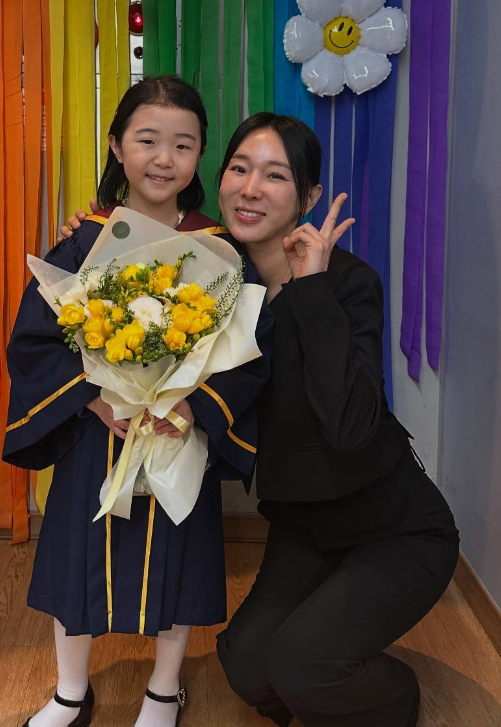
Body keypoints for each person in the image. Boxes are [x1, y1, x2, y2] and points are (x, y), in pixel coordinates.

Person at [64, 112, 459, 727]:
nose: (251, 188)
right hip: (305, 530)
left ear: (308, 197)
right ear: (220, 183)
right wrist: (91, 237)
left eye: (275, 176)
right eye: (239, 170)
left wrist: (311, 290)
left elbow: (352, 426)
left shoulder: (350, 283)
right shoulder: (214, 284)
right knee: (247, 665)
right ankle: (329, 655)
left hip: (394, 530)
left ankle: (391, 695)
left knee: (304, 668)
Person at [3, 77, 272, 727]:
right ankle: (70, 689)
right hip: (99, 431)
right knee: (79, 556)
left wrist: (188, 405)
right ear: (116, 146)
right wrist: (96, 399)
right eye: (146, 140)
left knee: (179, 563)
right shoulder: (85, 240)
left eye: (182, 144)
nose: (163, 158)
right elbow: (40, 338)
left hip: (180, 433)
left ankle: (163, 688)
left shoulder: (218, 250)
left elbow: (249, 344)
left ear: (200, 153)